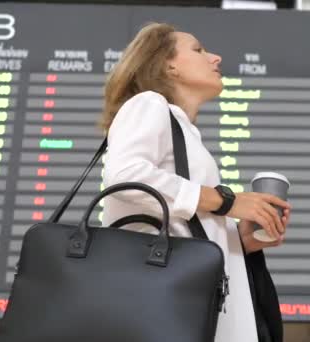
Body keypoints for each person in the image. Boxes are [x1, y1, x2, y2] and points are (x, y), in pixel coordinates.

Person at [98, 22, 291, 342]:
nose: (215, 58)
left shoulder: (186, 134)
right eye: (199, 50)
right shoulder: (149, 103)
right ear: (166, 64)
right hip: (161, 311)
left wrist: (238, 241)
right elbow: (125, 176)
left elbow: (181, 225)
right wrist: (227, 201)